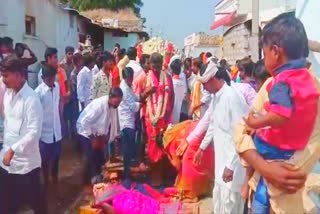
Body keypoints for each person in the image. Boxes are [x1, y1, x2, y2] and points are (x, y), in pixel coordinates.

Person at [242, 13, 319, 214]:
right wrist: (265, 168)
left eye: (264, 51)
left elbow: (246, 130)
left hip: (298, 203)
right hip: (262, 191)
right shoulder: (270, 84)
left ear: (275, 52)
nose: (262, 57)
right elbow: (241, 133)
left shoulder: (278, 86)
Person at [194, 61, 248, 213]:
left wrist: (231, 166)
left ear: (212, 79)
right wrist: (202, 147)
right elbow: (213, 125)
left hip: (233, 166)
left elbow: (240, 133)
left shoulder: (232, 97)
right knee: (220, 204)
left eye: (205, 84)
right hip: (221, 163)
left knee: (231, 205)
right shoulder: (217, 97)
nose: (204, 88)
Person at [0, 54, 46, 214]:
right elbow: (8, 123)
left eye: (6, 76)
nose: (3, 79)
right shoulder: (7, 94)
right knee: (6, 206)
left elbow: (34, 132)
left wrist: (13, 149)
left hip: (26, 166)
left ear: (18, 75)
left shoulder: (31, 99)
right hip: (6, 163)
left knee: (37, 207)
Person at [77, 87, 123, 184]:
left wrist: (105, 136)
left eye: (119, 102)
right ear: (111, 97)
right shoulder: (99, 105)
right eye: (117, 102)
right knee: (91, 156)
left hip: (96, 132)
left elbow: (107, 122)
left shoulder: (112, 106)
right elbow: (84, 122)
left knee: (99, 156)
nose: (118, 105)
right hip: (85, 131)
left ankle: (97, 178)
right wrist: (92, 138)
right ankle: (91, 180)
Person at [118, 67, 154, 179]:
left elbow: (135, 97)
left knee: (129, 146)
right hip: (126, 121)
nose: (130, 80)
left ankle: (129, 170)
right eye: (129, 78)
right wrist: (143, 103)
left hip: (130, 120)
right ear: (125, 78)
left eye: (131, 78)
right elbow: (134, 106)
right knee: (127, 148)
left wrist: (144, 95)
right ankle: (127, 173)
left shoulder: (128, 86)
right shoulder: (124, 88)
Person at [144, 52, 174, 186]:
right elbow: (139, 98)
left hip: (164, 118)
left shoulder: (167, 78)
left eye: (158, 65)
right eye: (153, 66)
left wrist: (167, 115)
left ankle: (162, 178)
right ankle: (153, 178)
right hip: (150, 118)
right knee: (152, 146)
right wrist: (148, 92)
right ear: (150, 65)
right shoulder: (144, 78)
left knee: (163, 146)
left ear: (162, 64)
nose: (155, 68)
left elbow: (171, 98)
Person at [35, 64, 62, 189]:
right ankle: (46, 181)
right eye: (48, 78)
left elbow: (58, 105)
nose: (51, 80)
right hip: (44, 132)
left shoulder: (57, 87)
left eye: (52, 77)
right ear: (43, 78)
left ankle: (55, 178)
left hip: (56, 129)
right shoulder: (38, 93)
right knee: (45, 159)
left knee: (56, 156)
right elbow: (35, 114)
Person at [170, 59, 187, 124]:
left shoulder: (171, 83)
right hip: (178, 114)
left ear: (172, 70)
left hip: (170, 114)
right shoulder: (182, 84)